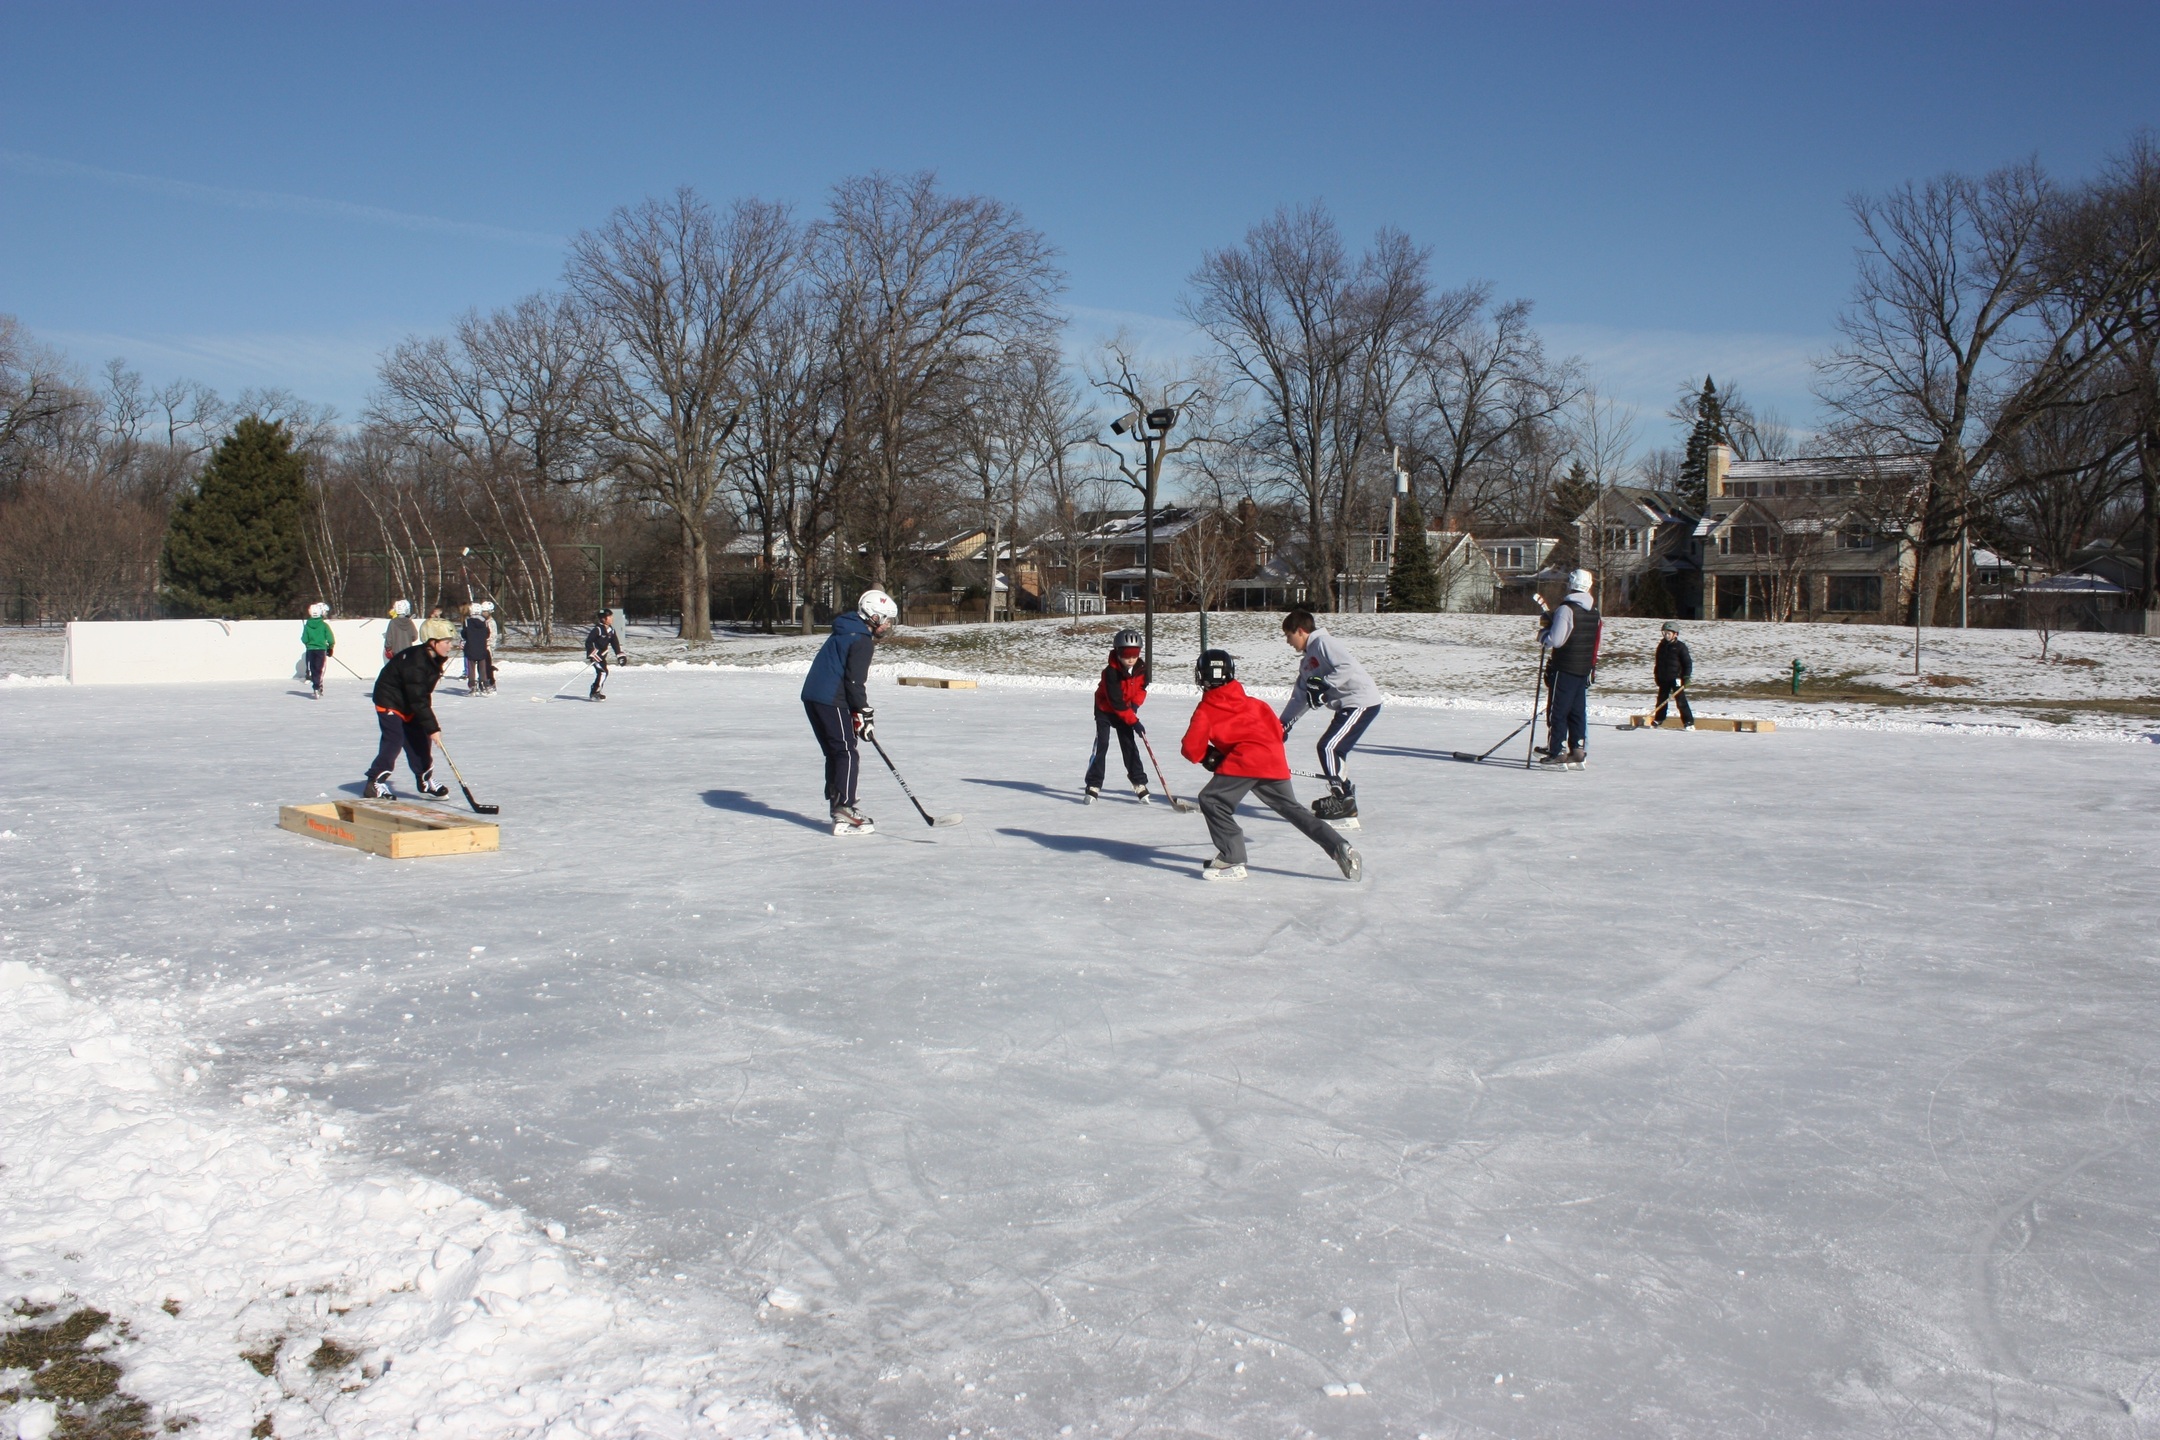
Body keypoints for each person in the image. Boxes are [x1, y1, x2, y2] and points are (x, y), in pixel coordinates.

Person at [1182, 649, 1363, 884]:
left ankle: (1232, 858)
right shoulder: (1256, 704)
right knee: (1293, 810)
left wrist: (1210, 756)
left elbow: (1190, 748)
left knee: (1212, 801)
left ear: (1200, 676)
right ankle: (1340, 846)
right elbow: (1277, 731)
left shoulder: (1206, 709)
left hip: (1244, 762)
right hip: (1273, 760)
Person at [802, 589, 897, 835]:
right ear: (873, 616)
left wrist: (858, 712)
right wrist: (863, 712)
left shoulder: (846, 629)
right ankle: (844, 808)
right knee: (846, 752)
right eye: (886, 619)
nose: (888, 625)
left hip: (814, 697)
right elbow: (854, 683)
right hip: (831, 699)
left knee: (836, 752)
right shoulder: (861, 641)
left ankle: (838, 803)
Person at [1277, 609, 1383, 825]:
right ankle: (1344, 796)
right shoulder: (1306, 663)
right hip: (1347, 706)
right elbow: (1301, 698)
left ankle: (1343, 799)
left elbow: (1346, 667)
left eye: (1289, 635)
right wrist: (1282, 725)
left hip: (1361, 701)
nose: (1288, 642)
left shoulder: (1323, 642)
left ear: (1301, 630)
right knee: (1332, 749)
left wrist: (1325, 685)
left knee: (1329, 748)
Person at [365, 618, 457, 799]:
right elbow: (418, 697)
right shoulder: (416, 662)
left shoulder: (432, 659)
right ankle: (374, 782)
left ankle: (425, 779)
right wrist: (433, 727)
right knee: (395, 739)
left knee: (421, 739)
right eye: (446, 642)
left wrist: (427, 728)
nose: (450, 646)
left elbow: (421, 695)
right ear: (433, 642)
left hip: (408, 701)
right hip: (390, 700)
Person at [1535, 568, 1601, 769]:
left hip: (1564, 666)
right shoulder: (1594, 611)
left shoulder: (1566, 609)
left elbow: (1556, 640)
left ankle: (1557, 751)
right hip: (1582, 668)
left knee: (1559, 710)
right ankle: (1577, 749)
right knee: (1577, 710)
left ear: (1571, 584)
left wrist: (1543, 634)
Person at [1085, 629, 1151, 803]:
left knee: (1129, 744)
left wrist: (1134, 707)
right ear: (1117, 652)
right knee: (1102, 744)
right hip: (1105, 709)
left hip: (1125, 711)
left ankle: (1139, 782)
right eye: (1126, 654)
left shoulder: (1141, 669)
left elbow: (1141, 690)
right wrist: (1134, 721)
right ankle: (1094, 784)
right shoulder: (1110, 673)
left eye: (1134, 654)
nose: (1131, 659)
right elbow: (1116, 702)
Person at [1652, 622, 1695, 729]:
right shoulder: (1661, 646)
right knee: (1661, 700)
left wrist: (1686, 677)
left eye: (1669, 633)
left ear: (1675, 634)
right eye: (1664, 633)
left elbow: (1687, 663)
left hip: (1676, 678)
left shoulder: (1680, 647)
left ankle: (1688, 722)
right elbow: (1658, 663)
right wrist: (1657, 676)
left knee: (1681, 702)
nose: (1666, 635)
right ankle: (1659, 719)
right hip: (1664, 678)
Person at [584, 608, 625, 700]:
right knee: (603, 672)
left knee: (604, 672)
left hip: (602, 657)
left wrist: (620, 655)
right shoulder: (597, 629)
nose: (612, 618)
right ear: (603, 619)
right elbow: (588, 642)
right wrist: (593, 654)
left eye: (611, 616)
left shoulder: (611, 630)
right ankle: (595, 692)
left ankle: (596, 690)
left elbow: (615, 644)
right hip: (596, 657)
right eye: (609, 617)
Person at [301, 602, 335, 699]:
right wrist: (330, 647)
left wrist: (308, 643)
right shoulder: (324, 625)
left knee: (313, 668)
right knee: (320, 669)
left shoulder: (307, 626)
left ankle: (316, 686)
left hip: (311, 650)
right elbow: (330, 638)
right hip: (321, 650)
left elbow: (304, 639)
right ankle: (318, 686)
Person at [461, 603, 495, 695]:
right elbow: (487, 634)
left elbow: (464, 634)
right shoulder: (484, 621)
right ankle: (484, 684)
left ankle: (472, 686)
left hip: (471, 649)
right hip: (481, 648)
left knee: (471, 669)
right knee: (482, 668)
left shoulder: (467, 621)